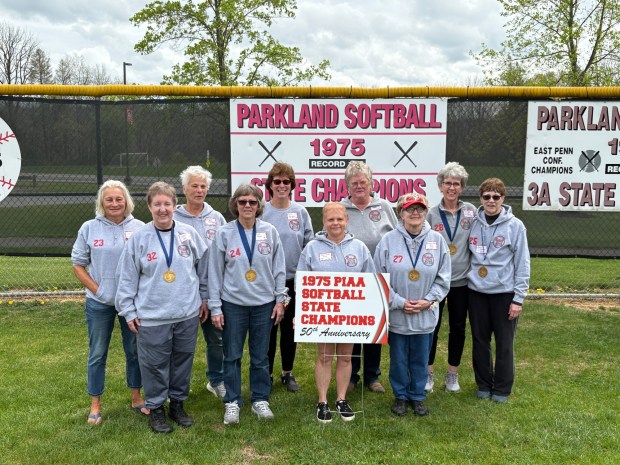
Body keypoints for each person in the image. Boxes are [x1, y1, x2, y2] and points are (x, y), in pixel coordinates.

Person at [116, 181, 209, 433]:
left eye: (167, 204)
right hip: (152, 316)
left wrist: (204, 298)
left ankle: (177, 404)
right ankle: (156, 408)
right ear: (149, 207)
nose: (163, 209)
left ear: (175, 205)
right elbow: (126, 278)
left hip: (186, 313)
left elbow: (205, 268)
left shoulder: (188, 234)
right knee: (154, 364)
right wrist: (128, 310)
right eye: (157, 204)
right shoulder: (140, 239)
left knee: (182, 360)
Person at [208, 183, 287, 425]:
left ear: (259, 205)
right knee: (231, 355)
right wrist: (215, 307)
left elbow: (279, 269)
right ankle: (232, 401)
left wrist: (280, 300)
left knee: (260, 355)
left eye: (252, 202)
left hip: (264, 304)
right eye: (242, 202)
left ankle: (260, 399)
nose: (247, 206)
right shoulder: (224, 233)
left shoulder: (270, 231)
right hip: (233, 304)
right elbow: (214, 272)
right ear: (235, 205)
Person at [71, 180, 147, 425]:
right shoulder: (89, 228)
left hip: (131, 304)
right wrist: (99, 290)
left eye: (119, 199)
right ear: (101, 203)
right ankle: (95, 405)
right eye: (109, 199)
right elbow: (78, 264)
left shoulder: (140, 227)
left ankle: (137, 398)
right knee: (97, 353)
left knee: (134, 351)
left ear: (127, 201)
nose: (114, 204)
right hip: (99, 303)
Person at [297, 202, 376, 423]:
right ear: (323, 222)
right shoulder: (312, 247)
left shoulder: (359, 247)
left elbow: (370, 279)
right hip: (323, 314)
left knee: (345, 357)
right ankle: (322, 401)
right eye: (330, 219)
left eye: (339, 219)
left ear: (346, 220)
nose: (335, 223)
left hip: (349, 315)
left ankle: (341, 399)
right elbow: (300, 282)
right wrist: (302, 312)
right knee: (324, 356)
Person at [374, 193, 451, 416]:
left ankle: (417, 396)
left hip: (425, 315)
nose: (415, 213)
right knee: (398, 359)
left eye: (419, 208)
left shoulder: (437, 241)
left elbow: (444, 277)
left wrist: (429, 300)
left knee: (420, 358)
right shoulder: (388, 241)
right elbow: (380, 277)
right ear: (401, 213)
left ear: (426, 212)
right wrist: (398, 302)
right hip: (398, 314)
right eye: (409, 209)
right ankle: (400, 395)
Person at [468, 178, 530, 403]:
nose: (491, 201)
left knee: (504, 343)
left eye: (496, 197)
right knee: (480, 340)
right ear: (481, 199)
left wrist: (518, 299)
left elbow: (522, 263)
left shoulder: (515, 226)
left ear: (503, 199)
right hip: (476, 292)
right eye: (487, 197)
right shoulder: (472, 223)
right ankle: (484, 383)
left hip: (504, 293)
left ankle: (502, 388)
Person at [341, 161, 397, 393]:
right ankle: (352, 375)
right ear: (347, 186)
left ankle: (372, 376)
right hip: (351, 280)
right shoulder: (341, 208)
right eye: (354, 183)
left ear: (371, 184)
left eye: (363, 182)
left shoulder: (384, 206)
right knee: (353, 328)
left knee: (375, 327)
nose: (359, 186)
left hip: (378, 278)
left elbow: (396, 236)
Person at [174, 165, 227, 399]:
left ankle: (216, 380)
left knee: (216, 339)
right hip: (180, 293)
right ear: (184, 189)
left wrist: (208, 296)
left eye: (203, 186)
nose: (199, 190)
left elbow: (225, 254)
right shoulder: (172, 217)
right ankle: (173, 386)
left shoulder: (217, 218)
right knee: (176, 343)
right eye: (194, 185)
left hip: (212, 291)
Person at [262, 161, 314, 392]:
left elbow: (309, 244)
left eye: (286, 181)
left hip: (293, 281)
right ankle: (267, 373)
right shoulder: (262, 211)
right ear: (270, 185)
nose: (282, 185)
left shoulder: (300, 212)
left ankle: (287, 373)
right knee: (269, 329)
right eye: (277, 181)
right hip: (267, 282)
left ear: (292, 185)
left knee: (291, 330)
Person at [425, 162, 477, 393]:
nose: (452, 188)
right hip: (436, 282)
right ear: (440, 186)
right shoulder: (430, 214)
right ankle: (428, 373)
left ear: (462, 187)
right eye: (448, 183)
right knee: (432, 327)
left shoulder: (472, 212)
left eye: (456, 184)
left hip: (462, 281)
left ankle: (452, 374)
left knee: (458, 327)